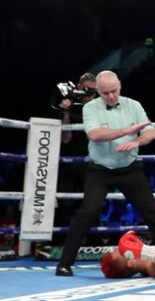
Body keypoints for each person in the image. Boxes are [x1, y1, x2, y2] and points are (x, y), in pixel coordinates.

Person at [55, 70, 155, 276]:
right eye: (105, 93)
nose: (110, 96)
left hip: (129, 169)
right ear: (98, 92)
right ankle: (64, 264)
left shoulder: (133, 105)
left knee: (152, 212)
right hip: (100, 170)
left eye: (114, 91)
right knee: (87, 213)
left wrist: (136, 141)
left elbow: (150, 132)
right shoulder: (91, 107)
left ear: (120, 86)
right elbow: (95, 134)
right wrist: (127, 131)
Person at [55, 73, 97, 226]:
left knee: (93, 201)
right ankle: (59, 243)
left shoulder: (99, 107)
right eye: (86, 90)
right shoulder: (68, 104)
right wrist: (66, 112)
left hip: (90, 161)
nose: (88, 94)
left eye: (92, 91)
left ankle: (93, 243)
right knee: (64, 202)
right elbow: (66, 138)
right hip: (68, 160)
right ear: (79, 87)